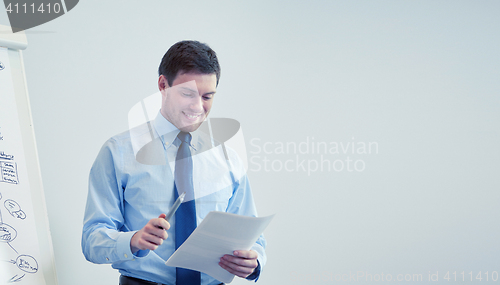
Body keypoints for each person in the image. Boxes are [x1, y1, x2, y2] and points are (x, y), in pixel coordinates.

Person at [82, 40, 266, 285]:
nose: (198, 106)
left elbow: (254, 239)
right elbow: (91, 240)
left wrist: (253, 262)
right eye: (187, 94)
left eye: (207, 96)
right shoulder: (118, 153)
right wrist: (134, 240)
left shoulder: (228, 160)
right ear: (163, 85)